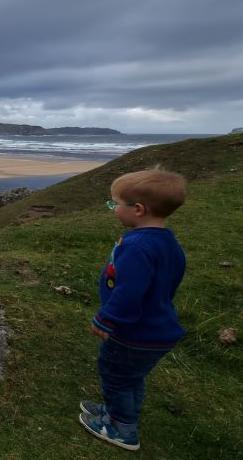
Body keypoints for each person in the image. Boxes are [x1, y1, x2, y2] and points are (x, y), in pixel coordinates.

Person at [79, 168, 187, 451]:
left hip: (134, 332)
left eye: (114, 203)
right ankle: (117, 413)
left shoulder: (138, 246)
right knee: (130, 378)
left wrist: (107, 319)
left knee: (116, 375)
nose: (112, 208)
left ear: (138, 209)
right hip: (156, 328)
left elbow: (130, 292)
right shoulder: (167, 242)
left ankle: (122, 429)